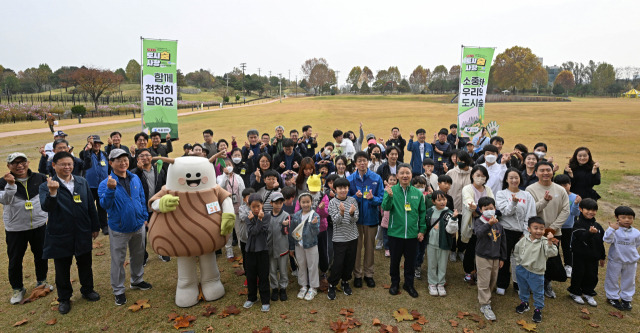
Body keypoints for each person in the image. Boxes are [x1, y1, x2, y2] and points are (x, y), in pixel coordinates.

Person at [39, 152, 101, 314]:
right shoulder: (46, 185)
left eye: (70, 164)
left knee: (85, 264)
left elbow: (90, 206)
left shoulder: (81, 182)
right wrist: (53, 193)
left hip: (82, 231)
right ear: (54, 165)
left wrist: (95, 226)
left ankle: (88, 290)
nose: (67, 167)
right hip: (60, 234)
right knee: (62, 268)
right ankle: (64, 298)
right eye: (63, 164)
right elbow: (46, 207)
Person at [98, 149, 151, 306]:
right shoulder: (105, 183)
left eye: (125, 159)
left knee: (138, 255)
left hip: (138, 225)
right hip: (119, 228)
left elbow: (141, 197)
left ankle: (137, 280)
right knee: (118, 260)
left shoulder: (134, 178)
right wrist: (110, 189)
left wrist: (144, 218)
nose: (123, 162)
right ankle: (119, 290)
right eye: (118, 160)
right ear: (111, 163)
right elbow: (104, 205)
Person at [1, 153, 50, 305]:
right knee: (15, 259)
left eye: (22, 161)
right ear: (9, 166)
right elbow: (5, 200)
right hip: (15, 228)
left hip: (39, 225)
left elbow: (48, 197)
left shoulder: (40, 178)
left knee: (41, 254)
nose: (19, 165)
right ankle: (17, 288)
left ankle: (41, 281)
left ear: (28, 162)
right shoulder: (3, 182)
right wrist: (10, 185)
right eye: (14, 163)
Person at [381, 163, 426, 298]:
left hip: (412, 234)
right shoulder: (391, 190)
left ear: (411, 175)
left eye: (407, 173)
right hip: (395, 233)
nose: (405, 175)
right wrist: (388, 196)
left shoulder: (417, 193)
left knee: (410, 262)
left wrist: (422, 230)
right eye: (402, 173)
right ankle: (395, 283)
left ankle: (409, 284)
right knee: (394, 261)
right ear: (397, 176)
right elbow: (385, 207)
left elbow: (422, 213)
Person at [526, 161, 569, 298]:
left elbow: (565, 210)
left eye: (548, 170)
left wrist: (553, 228)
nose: (545, 173)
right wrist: (543, 201)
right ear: (536, 172)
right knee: (535, 259)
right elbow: (532, 210)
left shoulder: (560, 190)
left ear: (552, 172)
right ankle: (533, 283)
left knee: (551, 259)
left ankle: (546, 283)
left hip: (554, 232)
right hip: (537, 232)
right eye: (542, 170)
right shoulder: (530, 190)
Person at [495, 168, 536, 295]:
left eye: (516, 177)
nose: (514, 180)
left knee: (520, 260)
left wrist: (525, 232)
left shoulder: (527, 195)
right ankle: (502, 284)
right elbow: (505, 213)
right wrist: (513, 202)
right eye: (511, 177)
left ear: (520, 179)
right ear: (506, 179)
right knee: (504, 258)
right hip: (505, 230)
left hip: (522, 232)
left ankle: (519, 284)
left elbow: (530, 214)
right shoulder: (501, 194)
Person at [348, 151, 384, 288]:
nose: (362, 163)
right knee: (356, 248)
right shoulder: (351, 179)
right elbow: (347, 200)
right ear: (355, 163)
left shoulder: (376, 178)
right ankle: (357, 274)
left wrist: (372, 198)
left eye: (364, 160)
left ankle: (369, 274)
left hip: (371, 219)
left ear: (368, 162)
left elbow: (381, 198)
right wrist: (356, 198)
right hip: (356, 221)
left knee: (369, 247)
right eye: (359, 161)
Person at [513, 217, 559, 324]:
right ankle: (524, 303)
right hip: (522, 269)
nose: (538, 231)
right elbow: (516, 251)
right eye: (535, 228)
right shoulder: (524, 239)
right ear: (529, 229)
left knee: (538, 292)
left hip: (537, 272)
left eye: (541, 229)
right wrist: (519, 263)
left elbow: (552, 253)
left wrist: (549, 242)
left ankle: (538, 309)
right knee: (523, 288)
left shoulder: (544, 242)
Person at [474, 196, 507, 321]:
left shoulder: (499, 225)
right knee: (483, 280)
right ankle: (485, 304)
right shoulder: (479, 221)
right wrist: (488, 224)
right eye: (486, 208)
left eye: (491, 208)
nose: (489, 210)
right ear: (481, 210)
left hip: (495, 257)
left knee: (493, 279)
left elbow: (503, 242)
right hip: (482, 256)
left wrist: (502, 258)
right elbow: (479, 233)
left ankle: (486, 295)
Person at [568, 198, 605, 307]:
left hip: (593, 256)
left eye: (594, 210)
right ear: (580, 209)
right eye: (588, 209)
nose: (591, 212)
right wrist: (589, 233)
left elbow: (600, 242)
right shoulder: (578, 224)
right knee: (579, 273)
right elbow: (582, 237)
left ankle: (588, 292)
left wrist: (602, 256)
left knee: (592, 275)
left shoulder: (598, 226)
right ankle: (575, 292)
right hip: (579, 255)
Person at [327, 177, 359, 300]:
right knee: (338, 263)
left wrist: (351, 213)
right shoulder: (332, 202)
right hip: (339, 238)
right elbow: (335, 221)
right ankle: (332, 284)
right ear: (335, 189)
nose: (343, 190)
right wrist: (341, 213)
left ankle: (345, 281)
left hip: (352, 236)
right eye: (340, 188)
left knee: (349, 262)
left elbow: (355, 219)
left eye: (345, 188)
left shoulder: (352, 201)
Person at [133, 149, 167, 264]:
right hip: (142, 209)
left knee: (160, 232)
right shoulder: (134, 173)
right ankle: (143, 256)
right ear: (138, 159)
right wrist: (138, 169)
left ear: (151, 158)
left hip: (156, 208)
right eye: (141, 156)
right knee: (142, 235)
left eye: (147, 155)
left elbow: (164, 186)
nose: (145, 157)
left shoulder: (159, 170)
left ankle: (163, 252)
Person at [461, 165, 494, 284]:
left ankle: (480, 272)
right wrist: (480, 210)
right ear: (472, 176)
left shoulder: (488, 189)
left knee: (483, 249)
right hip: (472, 224)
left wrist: (479, 210)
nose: (480, 178)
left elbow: (492, 204)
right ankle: (469, 272)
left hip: (486, 224)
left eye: (483, 176)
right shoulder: (467, 188)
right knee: (471, 249)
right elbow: (469, 203)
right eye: (477, 175)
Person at [604, 206, 638, 311]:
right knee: (612, 279)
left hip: (631, 262)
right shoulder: (614, 230)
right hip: (616, 260)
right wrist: (611, 230)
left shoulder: (636, 232)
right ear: (617, 217)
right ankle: (612, 297)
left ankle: (626, 299)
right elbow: (607, 239)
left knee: (629, 281)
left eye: (630, 217)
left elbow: (636, 245)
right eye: (623, 217)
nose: (627, 220)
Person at [425, 190, 459, 297]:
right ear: (433, 201)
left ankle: (441, 283)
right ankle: (432, 283)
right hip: (431, 243)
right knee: (432, 263)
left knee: (442, 264)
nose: (442, 202)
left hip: (444, 243)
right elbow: (425, 225)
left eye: (444, 199)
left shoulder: (449, 213)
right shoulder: (429, 211)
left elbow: (451, 230)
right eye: (439, 200)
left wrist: (454, 218)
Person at [289, 192, 321, 301]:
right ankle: (303, 286)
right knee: (301, 265)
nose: (306, 204)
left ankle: (313, 287)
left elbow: (316, 232)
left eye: (308, 202)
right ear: (299, 203)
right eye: (303, 202)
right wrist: (292, 247)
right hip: (299, 245)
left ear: (311, 202)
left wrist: (313, 224)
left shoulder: (315, 215)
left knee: (312, 266)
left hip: (311, 244)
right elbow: (292, 232)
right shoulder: (296, 215)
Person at [242, 194, 272, 312]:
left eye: (258, 206)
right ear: (249, 206)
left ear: (262, 205)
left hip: (263, 250)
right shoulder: (247, 217)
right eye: (253, 206)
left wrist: (257, 220)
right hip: (250, 251)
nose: (255, 209)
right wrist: (256, 220)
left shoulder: (267, 216)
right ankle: (252, 297)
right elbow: (253, 232)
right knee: (251, 275)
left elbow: (262, 231)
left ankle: (265, 300)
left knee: (263, 275)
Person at [446, 150, 474, 262]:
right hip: (453, 207)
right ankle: (452, 250)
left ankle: (461, 250)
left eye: (462, 161)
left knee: (465, 231)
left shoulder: (473, 173)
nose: (459, 163)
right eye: (458, 161)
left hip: (467, 208)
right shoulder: (451, 173)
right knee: (452, 229)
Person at [217, 157, 246, 259]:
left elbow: (243, 191)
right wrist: (225, 175)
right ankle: (229, 250)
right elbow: (220, 188)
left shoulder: (238, 177)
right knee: (228, 230)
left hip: (238, 206)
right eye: (225, 166)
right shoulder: (220, 178)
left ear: (233, 166)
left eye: (229, 165)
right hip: (227, 208)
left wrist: (243, 206)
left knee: (239, 230)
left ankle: (241, 247)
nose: (228, 167)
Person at [553, 174, 581, 278]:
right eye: (559, 185)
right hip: (555, 226)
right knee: (554, 246)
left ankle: (568, 266)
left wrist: (576, 204)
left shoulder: (574, 197)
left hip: (568, 227)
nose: (563, 187)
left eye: (565, 185)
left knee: (567, 247)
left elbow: (576, 213)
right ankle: (556, 266)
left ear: (570, 184)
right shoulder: (554, 195)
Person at [83, 135, 109, 235]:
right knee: (89, 207)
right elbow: (85, 159)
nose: (97, 144)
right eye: (94, 143)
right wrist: (87, 148)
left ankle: (104, 226)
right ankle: (91, 226)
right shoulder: (86, 153)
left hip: (102, 185)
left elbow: (109, 168)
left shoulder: (104, 154)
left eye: (98, 143)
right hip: (90, 185)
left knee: (102, 206)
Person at [267, 192, 290, 302]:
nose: (278, 205)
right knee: (272, 270)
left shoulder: (286, 215)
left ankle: (283, 288)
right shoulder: (266, 216)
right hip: (270, 248)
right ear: (271, 203)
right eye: (276, 203)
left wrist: (285, 226)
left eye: (281, 203)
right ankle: (274, 288)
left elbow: (287, 233)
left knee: (283, 270)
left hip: (282, 248)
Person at [379, 174, 397, 257]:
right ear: (388, 180)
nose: (392, 181)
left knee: (393, 234)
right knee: (386, 233)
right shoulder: (385, 190)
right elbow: (383, 203)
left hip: (394, 215)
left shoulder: (397, 190)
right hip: (386, 215)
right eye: (391, 179)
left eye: (394, 180)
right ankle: (387, 248)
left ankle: (393, 247)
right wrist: (382, 212)